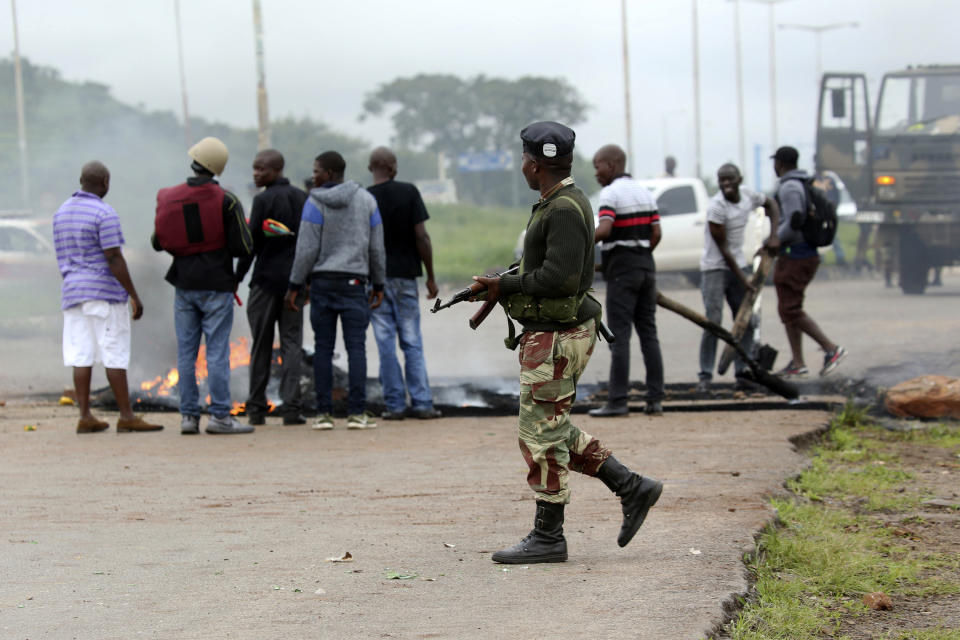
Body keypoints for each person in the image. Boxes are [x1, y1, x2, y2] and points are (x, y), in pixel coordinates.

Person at [473, 122, 662, 564]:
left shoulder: (561, 207)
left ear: (534, 164)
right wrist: (503, 280)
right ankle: (632, 487)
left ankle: (548, 537)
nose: (522, 165)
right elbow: (546, 265)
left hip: (558, 336)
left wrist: (510, 286)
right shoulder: (560, 202)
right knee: (547, 425)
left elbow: (558, 278)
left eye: (523, 159)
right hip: (557, 333)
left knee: (541, 433)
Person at [153, 137, 254, 435]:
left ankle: (188, 417)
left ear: (194, 161)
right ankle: (221, 417)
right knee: (217, 352)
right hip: (217, 286)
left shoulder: (169, 197)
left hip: (184, 286)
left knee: (186, 353)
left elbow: (158, 242)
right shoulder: (227, 200)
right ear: (217, 168)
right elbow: (245, 246)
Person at [54, 162, 163, 434]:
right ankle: (126, 416)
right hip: (103, 293)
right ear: (105, 182)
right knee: (114, 352)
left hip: (72, 293)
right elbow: (113, 257)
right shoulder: (104, 213)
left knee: (82, 354)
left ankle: (85, 416)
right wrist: (133, 295)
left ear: (81, 180)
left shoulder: (61, 213)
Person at [285, 151, 386, 431]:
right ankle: (356, 413)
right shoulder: (367, 200)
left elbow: (306, 250)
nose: (313, 175)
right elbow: (376, 248)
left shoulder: (314, 203)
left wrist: (295, 284)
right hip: (355, 284)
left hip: (322, 283)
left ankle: (323, 414)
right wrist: (378, 283)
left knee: (323, 349)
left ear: (330, 173)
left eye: (316, 171)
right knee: (356, 348)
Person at [588, 143, 665, 416]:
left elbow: (606, 229)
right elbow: (656, 233)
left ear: (611, 165)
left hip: (622, 272)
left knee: (619, 337)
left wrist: (579, 240)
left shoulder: (611, 193)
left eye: (597, 166)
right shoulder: (645, 193)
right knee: (649, 334)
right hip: (646, 267)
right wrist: (640, 254)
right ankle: (655, 399)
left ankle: (618, 401)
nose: (596, 173)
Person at [366, 147, 442, 421]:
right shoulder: (408, 192)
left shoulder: (365, 199)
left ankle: (395, 406)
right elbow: (422, 236)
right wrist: (430, 276)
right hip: (406, 280)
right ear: (390, 166)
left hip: (376, 282)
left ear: (371, 168)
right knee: (411, 342)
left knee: (385, 343)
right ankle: (422, 403)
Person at [234, 149, 308, 427]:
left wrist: (237, 277)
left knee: (261, 346)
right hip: (294, 285)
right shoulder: (303, 198)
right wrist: (305, 281)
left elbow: (251, 244)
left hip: (265, 283)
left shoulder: (263, 200)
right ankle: (291, 409)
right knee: (291, 345)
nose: (255, 173)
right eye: (254, 168)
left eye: (261, 169)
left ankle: (256, 408)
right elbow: (308, 244)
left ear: (277, 169)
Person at [697, 163, 780, 393]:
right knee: (712, 321)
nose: (726, 185)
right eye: (722, 180)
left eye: (730, 180)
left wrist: (774, 236)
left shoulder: (748, 196)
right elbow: (723, 248)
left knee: (747, 321)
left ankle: (742, 372)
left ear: (739, 179)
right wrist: (743, 280)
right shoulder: (716, 207)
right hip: (715, 268)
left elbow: (771, 204)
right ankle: (705, 375)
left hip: (738, 265)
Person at [771, 146, 846, 377]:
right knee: (788, 308)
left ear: (781, 164)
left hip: (798, 253)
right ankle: (797, 362)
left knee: (791, 308)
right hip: (798, 252)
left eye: (775, 163)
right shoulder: (802, 183)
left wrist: (773, 239)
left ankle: (831, 348)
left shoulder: (790, 187)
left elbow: (794, 219)